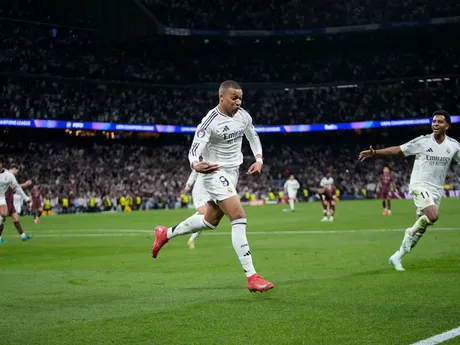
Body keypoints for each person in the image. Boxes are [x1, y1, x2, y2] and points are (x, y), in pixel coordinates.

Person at [151, 80, 274, 292]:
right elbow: (194, 149)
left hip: (232, 173)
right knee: (239, 217)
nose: (238, 102)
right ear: (222, 97)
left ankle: (165, 233)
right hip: (213, 172)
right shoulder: (210, 122)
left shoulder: (244, 116)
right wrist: (195, 164)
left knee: (210, 221)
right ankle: (251, 276)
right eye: (234, 98)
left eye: (240, 98)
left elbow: (253, 136)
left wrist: (259, 159)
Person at [358, 110, 460, 271]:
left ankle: (397, 256)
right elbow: (398, 150)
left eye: (440, 122)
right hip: (419, 185)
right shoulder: (423, 142)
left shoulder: (453, 146)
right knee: (433, 216)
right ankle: (409, 232)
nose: (435, 124)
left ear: (447, 126)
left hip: (436, 190)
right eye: (434, 121)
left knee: (420, 229)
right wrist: (375, 153)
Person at [0, 158, 31, 243]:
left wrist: (26, 198)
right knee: (3, 218)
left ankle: (23, 235)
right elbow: (15, 187)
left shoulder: (9, 176)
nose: (18, 172)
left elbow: (16, 187)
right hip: (6, 200)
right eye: (17, 170)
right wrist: (25, 184)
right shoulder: (9, 175)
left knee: (12, 217)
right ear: (14, 169)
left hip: (7, 200)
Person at [184, 170, 211, 249]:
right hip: (199, 192)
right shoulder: (204, 160)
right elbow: (195, 171)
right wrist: (188, 184)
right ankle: (186, 229)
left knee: (206, 218)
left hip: (209, 192)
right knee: (204, 214)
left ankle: (190, 237)